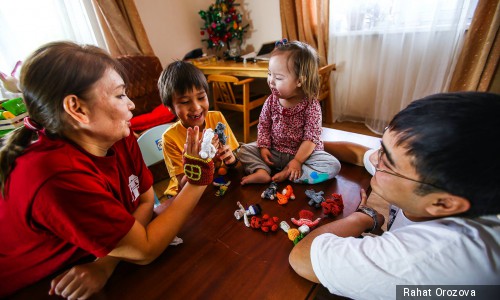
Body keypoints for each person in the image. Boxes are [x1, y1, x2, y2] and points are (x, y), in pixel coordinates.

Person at [0, 42, 215, 299]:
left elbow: (146, 201)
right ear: (77, 109)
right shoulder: (57, 176)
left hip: (97, 255)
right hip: (44, 282)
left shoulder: (119, 136)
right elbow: (145, 250)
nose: (132, 104)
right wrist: (198, 180)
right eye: (120, 95)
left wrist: (105, 263)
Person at [289, 92, 500, 299]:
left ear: (443, 203)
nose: (377, 159)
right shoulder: (439, 180)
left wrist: (363, 217)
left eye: (387, 161)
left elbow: (303, 258)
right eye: (382, 148)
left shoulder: (431, 258)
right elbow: (361, 154)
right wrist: (298, 153)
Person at [238, 40, 341, 185]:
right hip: (275, 151)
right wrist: (263, 146)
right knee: (242, 150)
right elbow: (263, 125)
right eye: (269, 74)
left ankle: (290, 173)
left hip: (304, 155)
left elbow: (310, 139)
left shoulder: (311, 105)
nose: (271, 81)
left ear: (300, 80)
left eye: (278, 78)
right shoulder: (271, 100)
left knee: (333, 165)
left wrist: (297, 161)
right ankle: (261, 171)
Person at [158, 61, 239, 197]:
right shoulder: (169, 138)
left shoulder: (216, 118)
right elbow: (184, 186)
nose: (196, 107)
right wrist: (200, 160)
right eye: (184, 102)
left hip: (216, 182)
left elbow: (236, 162)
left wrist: (232, 160)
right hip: (185, 193)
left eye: (201, 97)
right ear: (171, 108)